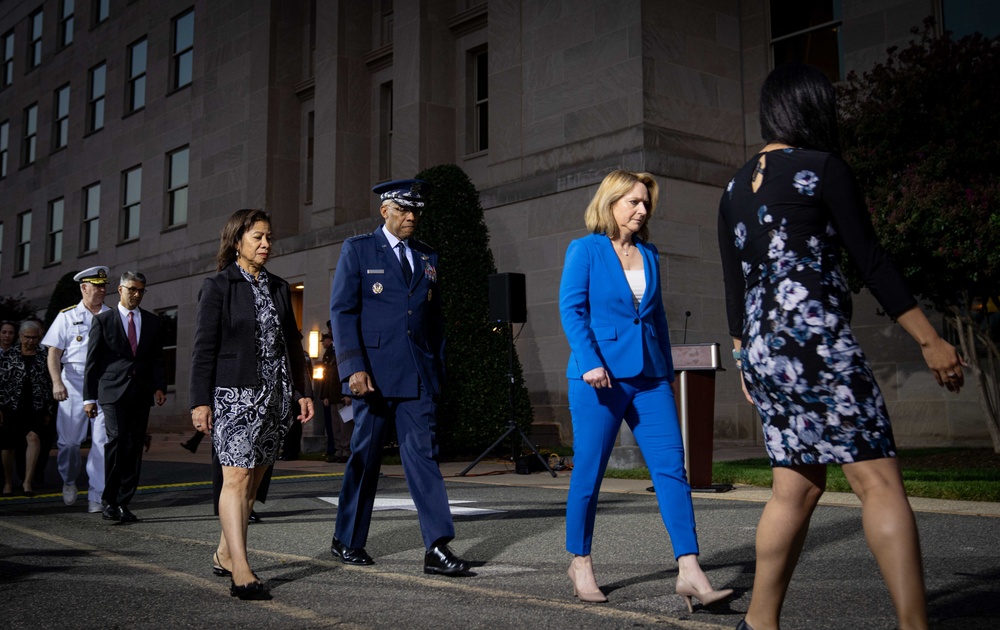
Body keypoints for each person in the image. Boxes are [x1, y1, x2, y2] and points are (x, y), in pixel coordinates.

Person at [717, 63, 966, 630]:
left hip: (762, 348)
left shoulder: (732, 189)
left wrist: (745, 365)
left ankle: (758, 622)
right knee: (876, 481)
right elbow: (871, 260)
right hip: (813, 338)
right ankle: (914, 626)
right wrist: (930, 340)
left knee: (795, 487)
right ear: (810, 107)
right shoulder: (821, 168)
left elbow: (735, 288)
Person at [559, 170, 733, 608]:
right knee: (590, 471)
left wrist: (667, 371)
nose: (642, 209)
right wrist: (590, 363)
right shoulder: (585, 250)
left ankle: (690, 568)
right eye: (633, 201)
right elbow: (572, 311)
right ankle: (580, 560)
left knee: (672, 469)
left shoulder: (650, 253)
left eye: (645, 203)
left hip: (651, 377)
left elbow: (654, 318)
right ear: (611, 202)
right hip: (598, 378)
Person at [328, 179, 470, 576]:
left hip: (417, 375)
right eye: (404, 210)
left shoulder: (427, 256)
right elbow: (342, 312)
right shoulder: (357, 250)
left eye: (416, 211)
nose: (411, 217)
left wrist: (437, 370)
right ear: (384, 210)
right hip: (372, 375)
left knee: (424, 458)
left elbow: (433, 321)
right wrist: (353, 367)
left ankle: (437, 547)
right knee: (365, 457)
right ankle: (347, 539)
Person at [190, 208, 314, 600]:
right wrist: (199, 402)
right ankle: (241, 568)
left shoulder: (278, 287)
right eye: (258, 237)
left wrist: (302, 390)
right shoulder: (219, 286)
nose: (266, 244)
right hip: (234, 395)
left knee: (255, 481)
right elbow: (203, 349)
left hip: (275, 396)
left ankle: (225, 552)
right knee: (236, 479)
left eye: (269, 238)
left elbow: (292, 344)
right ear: (237, 239)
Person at [83, 271, 167, 523]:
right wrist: (89, 398)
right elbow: (92, 362)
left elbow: (157, 359)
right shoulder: (103, 321)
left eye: (141, 290)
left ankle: (123, 502)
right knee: (117, 440)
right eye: (132, 289)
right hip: (112, 392)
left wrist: (159, 386)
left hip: (140, 392)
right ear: (120, 290)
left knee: (134, 446)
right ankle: (109, 500)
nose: (137, 294)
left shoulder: (152, 322)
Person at [42, 266, 113, 513]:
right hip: (72, 383)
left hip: (103, 384)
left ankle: (96, 495)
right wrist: (56, 382)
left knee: (102, 442)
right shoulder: (66, 316)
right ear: (84, 288)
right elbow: (53, 352)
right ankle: (69, 479)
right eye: (97, 286)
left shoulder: (112, 315)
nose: (102, 290)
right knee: (70, 443)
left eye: (104, 286)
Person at [0, 321, 53, 496]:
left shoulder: (43, 356)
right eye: (27, 337)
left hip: (36, 405)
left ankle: (27, 482)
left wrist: (48, 409)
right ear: (21, 336)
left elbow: (49, 383)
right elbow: (2, 383)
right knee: (8, 446)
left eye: (34, 337)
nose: (31, 341)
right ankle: (8, 482)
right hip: (12, 406)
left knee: (33, 438)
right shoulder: (9, 355)